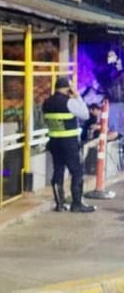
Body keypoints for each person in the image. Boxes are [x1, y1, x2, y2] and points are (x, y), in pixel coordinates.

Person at [43, 76, 95, 212]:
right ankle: (77, 204)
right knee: (77, 171)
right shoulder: (69, 102)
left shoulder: (47, 103)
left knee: (58, 171)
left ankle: (59, 205)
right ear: (68, 88)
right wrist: (77, 97)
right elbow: (85, 114)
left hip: (54, 142)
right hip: (69, 143)